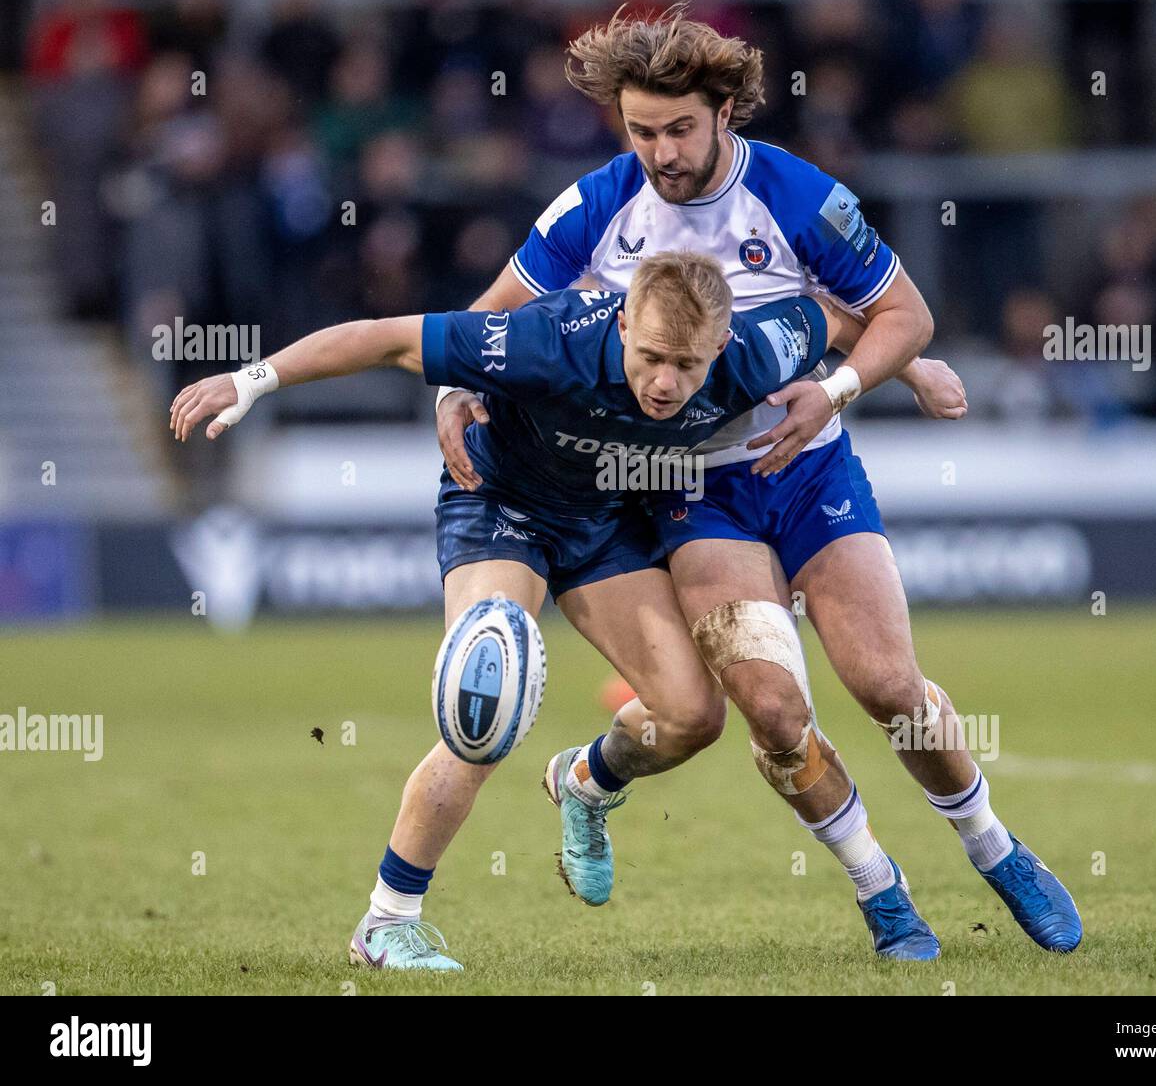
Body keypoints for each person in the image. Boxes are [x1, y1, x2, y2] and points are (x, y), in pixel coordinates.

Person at [441, 6, 1081, 955]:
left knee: (889, 687)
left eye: (679, 129)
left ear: (726, 111)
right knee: (776, 712)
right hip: (691, 490)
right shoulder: (595, 207)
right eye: (641, 130)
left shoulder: (795, 196)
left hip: (809, 465)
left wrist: (845, 388)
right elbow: (492, 314)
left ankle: (993, 847)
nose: (660, 151)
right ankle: (882, 892)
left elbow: (900, 311)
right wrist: (456, 387)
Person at [169, 251, 946, 968]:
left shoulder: (754, 345)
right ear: (621, 324)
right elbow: (382, 339)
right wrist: (253, 380)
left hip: (607, 523)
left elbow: (845, 318)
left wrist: (911, 370)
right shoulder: (546, 341)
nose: (667, 383)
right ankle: (387, 921)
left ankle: (584, 782)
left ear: (719, 346)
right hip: (501, 504)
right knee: (488, 696)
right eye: (650, 358)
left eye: (686, 364)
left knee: (691, 717)